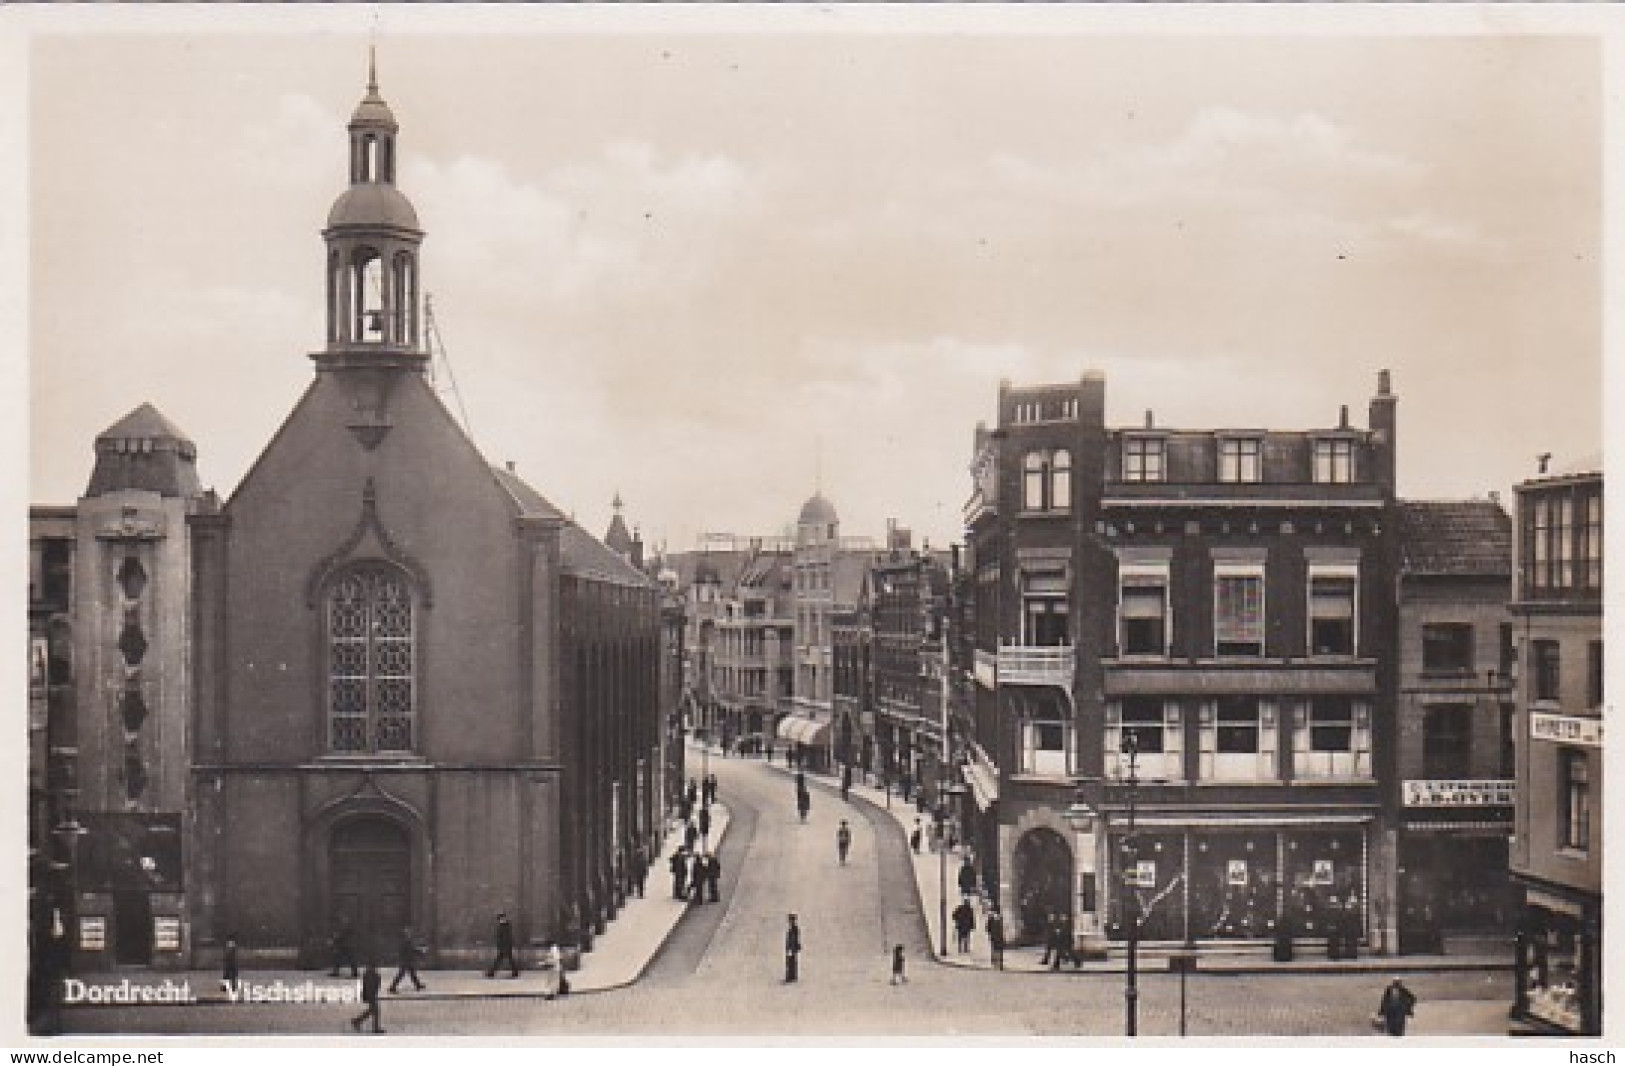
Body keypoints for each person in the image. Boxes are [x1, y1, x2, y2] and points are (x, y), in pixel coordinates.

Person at [350, 961, 383, 1034]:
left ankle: (357, 1021)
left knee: (372, 1010)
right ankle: (375, 1028)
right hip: (370, 995)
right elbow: (372, 986)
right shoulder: (371, 975)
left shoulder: (369, 974)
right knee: (375, 1010)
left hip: (370, 994)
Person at [389, 926, 425, 993]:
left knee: (411, 973)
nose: (410, 934)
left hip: (406, 959)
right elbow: (409, 950)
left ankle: (418, 985)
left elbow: (410, 950)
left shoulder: (406, 941)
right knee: (402, 974)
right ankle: (393, 987)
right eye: (408, 933)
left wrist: (417, 952)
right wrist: (419, 952)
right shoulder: (405, 941)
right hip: (405, 960)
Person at [486, 911, 519, 978]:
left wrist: (505, 945)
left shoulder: (505, 926)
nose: (500, 920)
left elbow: (506, 937)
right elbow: (501, 937)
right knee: (506, 959)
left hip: (506, 945)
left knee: (502, 959)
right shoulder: (503, 926)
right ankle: (515, 972)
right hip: (504, 945)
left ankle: (492, 972)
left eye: (501, 918)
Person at [784, 913, 802, 983]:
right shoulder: (792, 928)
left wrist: (793, 946)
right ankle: (791, 975)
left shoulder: (794, 928)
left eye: (791, 920)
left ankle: (792, 976)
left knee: (792, 961)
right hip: (791, 947)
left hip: (792, 947)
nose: (790, 921)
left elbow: (795, 938)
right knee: (790, 961)